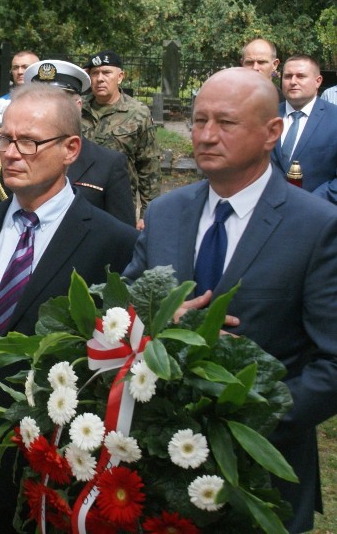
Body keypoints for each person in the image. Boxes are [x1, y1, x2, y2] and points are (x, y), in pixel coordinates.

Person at [123, 67, 337, 534]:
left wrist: (241, 421)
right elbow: (117, 312)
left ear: (271, 132)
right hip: (156, 474)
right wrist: (158, 322)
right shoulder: (164, 214)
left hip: (261, 481)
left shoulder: (317, 226)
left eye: (226, 122)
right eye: (199, 121)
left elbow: (333, 363)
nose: (205, 136)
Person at [0, 83, 138, 533]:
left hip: (58, 476)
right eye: (5, 139)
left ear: (71, 149)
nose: (11, 153)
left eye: (30, 142)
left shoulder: (112, 243)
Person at [0, 59, 136, 225]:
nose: (44, 108)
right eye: (38, 99)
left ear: (77, 107)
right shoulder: (14, 154)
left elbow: (120, 238)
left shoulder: (107, 164)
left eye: (56, 100)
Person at [81, 50, 160, 227]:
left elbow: (149, 166)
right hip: (80, 201)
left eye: (106, 72)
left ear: (120, 76)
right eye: (95, 73)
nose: (100, 78)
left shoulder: (138, 113)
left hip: (119, 204)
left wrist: (147, 213)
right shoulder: (77, 109)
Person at [271, 54, 337, 203]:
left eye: (300, 76)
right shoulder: (266, 117)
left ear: (318, 81)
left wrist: (306, 204)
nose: (293, 82)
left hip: (318, 216)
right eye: (288, 76)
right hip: (266, 213)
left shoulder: (334, 119)